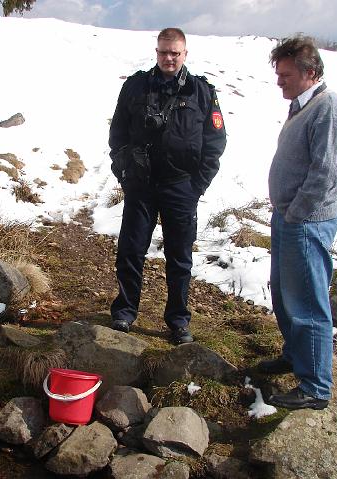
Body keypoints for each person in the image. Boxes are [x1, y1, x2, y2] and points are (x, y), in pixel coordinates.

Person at [108, 28, 227, 344]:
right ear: (156, 51)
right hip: (141, 186)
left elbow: (216, 141)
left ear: (185, 53)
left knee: (179, 257)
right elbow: (117, 132)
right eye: (163, 52)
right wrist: (124, 172)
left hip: (181, 187)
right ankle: (124, 313)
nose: (169, 58)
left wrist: (197, 185)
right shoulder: (136, 86)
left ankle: (177, 321)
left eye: (175, 53)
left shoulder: (201, 92)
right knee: (131, 251)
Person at [259, 35, 337, 410]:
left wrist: (296, 213)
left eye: (286, 74)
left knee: (308, 303)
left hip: (306, 222)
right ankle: (296, 357)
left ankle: (315, 386)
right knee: (284, 295)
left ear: (310, 72)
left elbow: (326, 173)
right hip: (288, 218)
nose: (279, 80)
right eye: (278, 73)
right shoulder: (303, 106)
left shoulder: (328, 109)